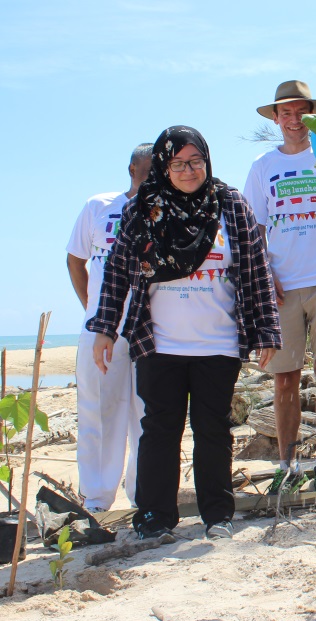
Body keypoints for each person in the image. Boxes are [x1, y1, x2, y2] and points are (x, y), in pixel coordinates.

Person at [87, 126, 281, 541]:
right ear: (164, 165)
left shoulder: (230, 204)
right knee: (159, 429)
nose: (188, 170)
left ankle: (217, 515)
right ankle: (155, 516)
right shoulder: (144, 207)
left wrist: (266, 329)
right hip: (159, 341)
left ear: (207, 161)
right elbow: (118, 269)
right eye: (178, 163)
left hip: (219, 341)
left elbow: (255, 269)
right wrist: (104, 328)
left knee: (213, 428)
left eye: (195, 161)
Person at [244, 80, 316, 494]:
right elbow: (253, 228)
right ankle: (286, 466)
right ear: (276, 118)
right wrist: (262, 277)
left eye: (301, 112)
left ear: (313, 116)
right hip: (281, 286)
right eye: (285, 113)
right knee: (285, 380)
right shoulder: (263, 167)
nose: (294, 121)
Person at [66, 143, 152, 512]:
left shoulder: (167, 211)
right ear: (133, 168)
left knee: (147, 413)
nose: (158, 176)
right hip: (101, 329)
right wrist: (94, 310)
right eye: (151, 169)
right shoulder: (98, 206)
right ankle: (97, 498)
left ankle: (143, 497)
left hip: (150, 329)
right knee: (98, 410)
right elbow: (75, 260)